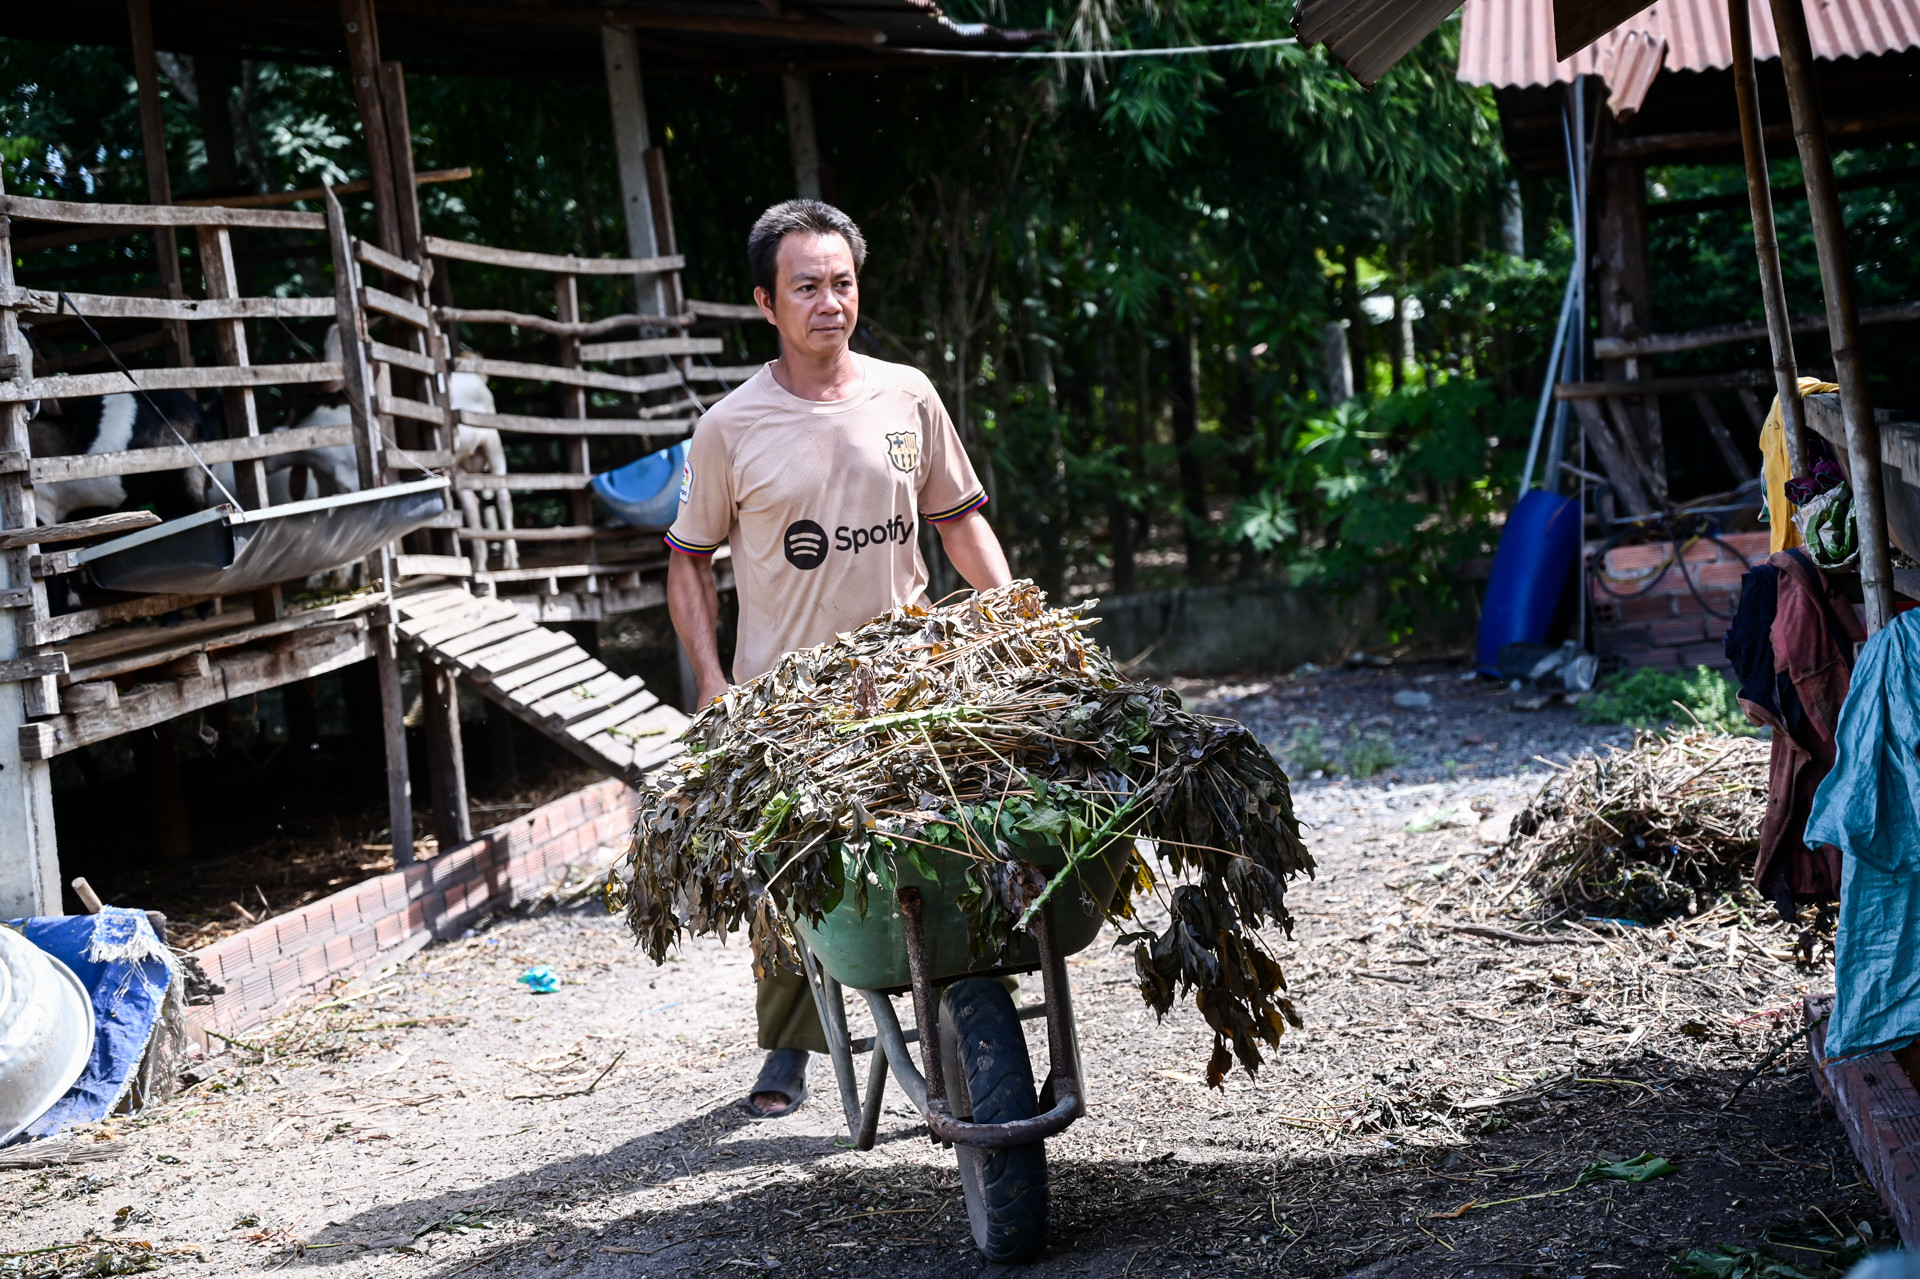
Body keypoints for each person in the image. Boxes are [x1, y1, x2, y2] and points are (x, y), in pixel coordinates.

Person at [663, 199, 1013, 1118]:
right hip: (787, 694)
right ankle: (788, 1042)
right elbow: (688, 561)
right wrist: (712, 683)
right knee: (790, 871)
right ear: (765, 303)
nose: (829, 301)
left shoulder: (908, 395)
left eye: (842, 282)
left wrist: (1012, 618)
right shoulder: (731, 427)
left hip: (909, 677)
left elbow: (958, 521)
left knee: (948, 840)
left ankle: (963, 993)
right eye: (806, 286)